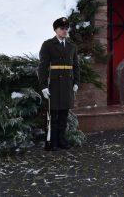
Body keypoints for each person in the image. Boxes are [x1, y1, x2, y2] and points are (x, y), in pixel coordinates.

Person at [37, 17, 81, 151]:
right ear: (55, 30)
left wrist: (76, 82)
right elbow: (43, 67)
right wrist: (43, 86)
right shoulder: (48, 44)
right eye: (62, 28)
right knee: (53, 114)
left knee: (64, 115)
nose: (64, 31)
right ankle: (52, 141)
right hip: (54, 85)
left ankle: (62, 140)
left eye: (66, 28)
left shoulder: (71, 46)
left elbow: (76, 66)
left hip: (67, 84)